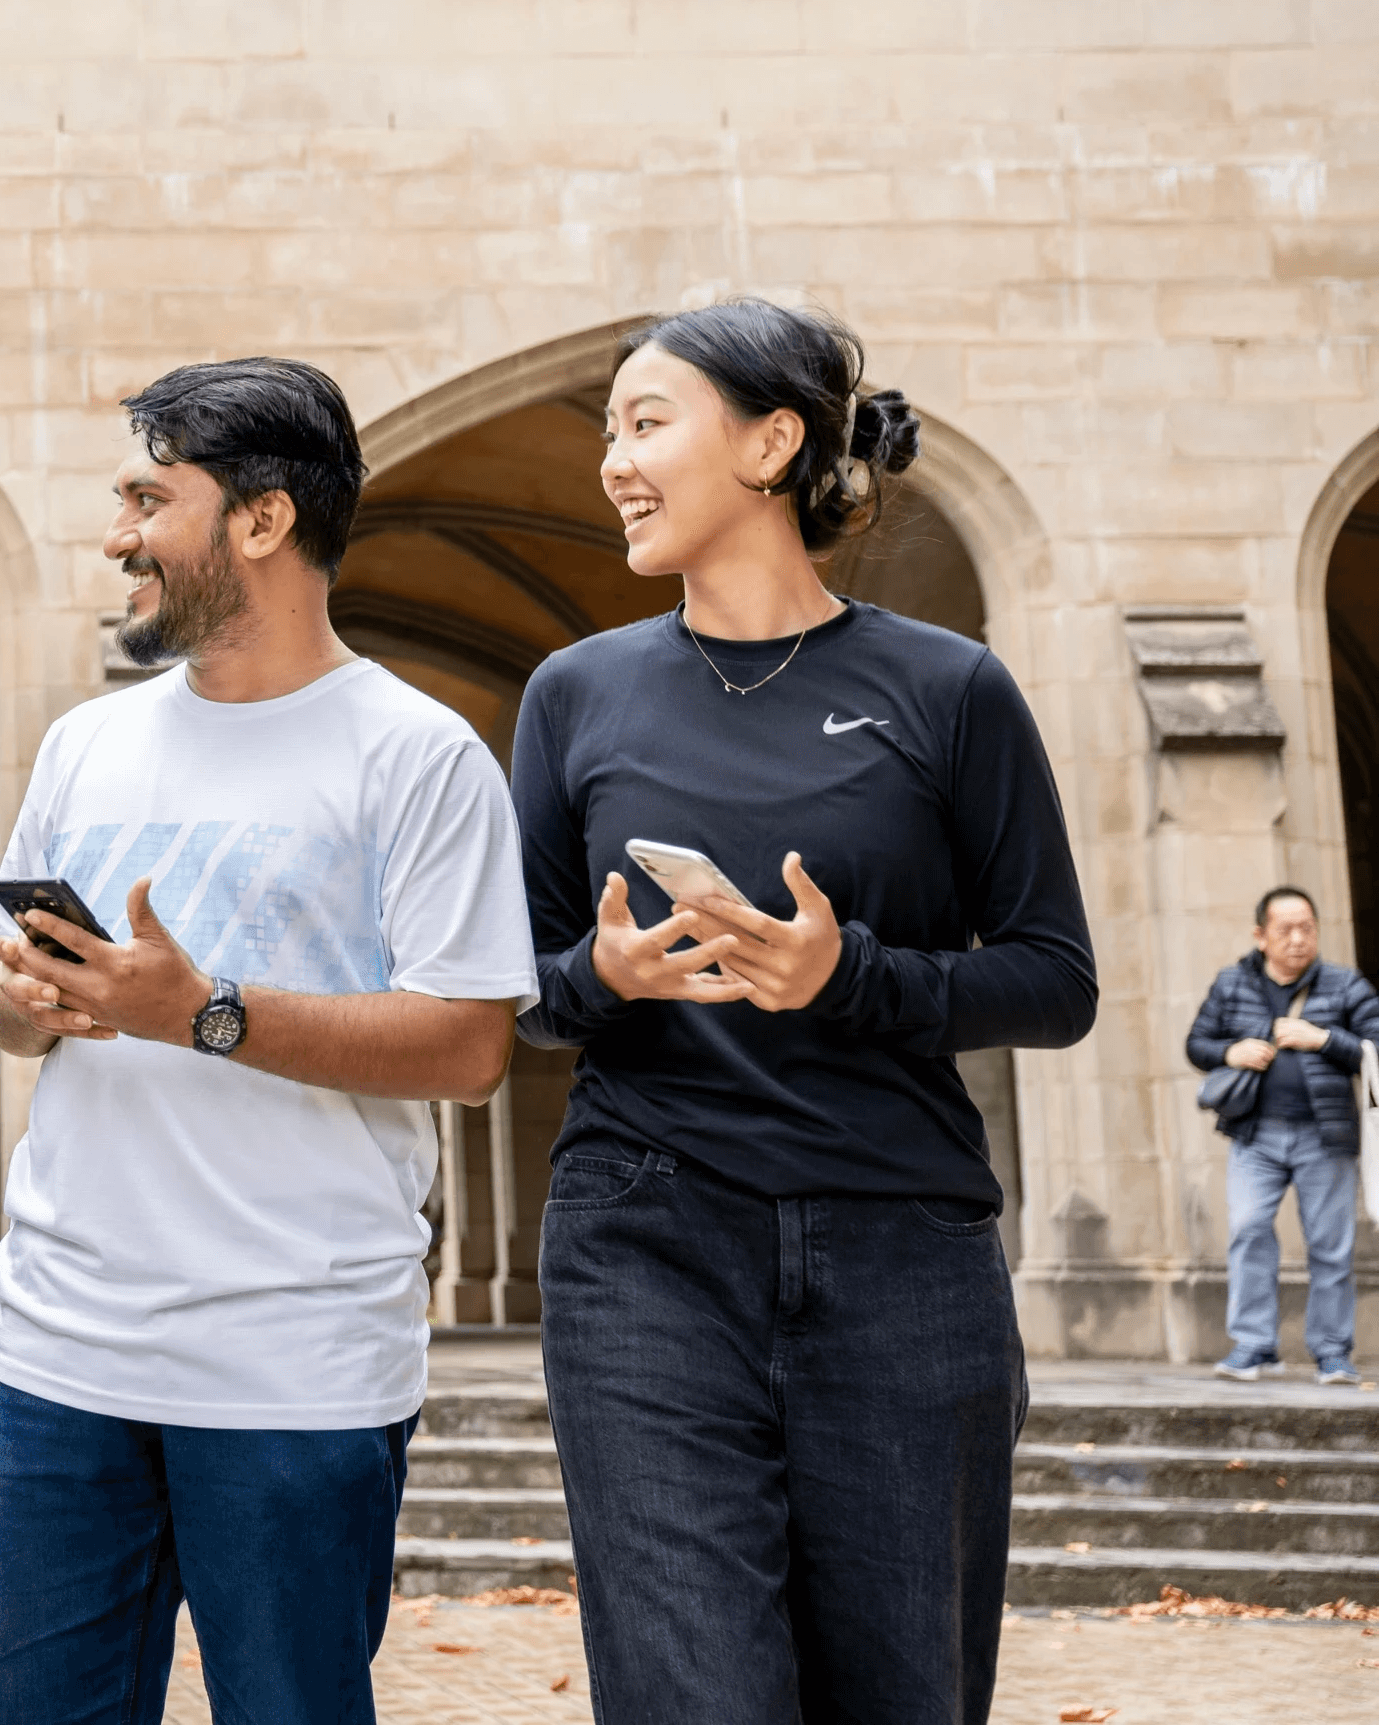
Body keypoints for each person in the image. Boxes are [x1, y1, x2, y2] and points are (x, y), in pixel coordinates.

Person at [513, 299, 1097, 1721]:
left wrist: (852, 979)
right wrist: (609, 979)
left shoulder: (945, 687)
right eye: (608, 432)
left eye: (647, 424)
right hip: (643, 1234)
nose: (614, 463)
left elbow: (1053, 975)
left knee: (905, 1694)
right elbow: (514, 992)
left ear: (770, 443)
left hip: (902, 1249)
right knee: (688, 1695)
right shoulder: (573, 694)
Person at [0, 358, 533, 1724]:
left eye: (147, 499)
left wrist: (202, 1012)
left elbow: (467, 1046)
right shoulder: (83, 744)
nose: (116, 537)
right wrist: (24, 995)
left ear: (261, 520)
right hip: (59, 1350)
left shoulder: (417, 753)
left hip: (295, 1359)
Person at [1185, 885, 1369, 1385]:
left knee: (1331, 1246)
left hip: (1325, 1137)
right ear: (1260, 936)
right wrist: (1231, 1052)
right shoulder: (1231, 983)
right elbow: (1197, 1044)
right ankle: (1254, 1345)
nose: (1297, 939)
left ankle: (1332, 1352)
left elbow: (1376, 1048)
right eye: (1285, 929)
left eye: (1306, 927)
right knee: (1247, 1230)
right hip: (1255, 1136)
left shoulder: (1345, 985)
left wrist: (1326, 1039)